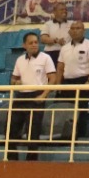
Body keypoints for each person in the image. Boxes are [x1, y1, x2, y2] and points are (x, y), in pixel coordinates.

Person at [9, 32, 57, 160]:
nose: (34, 45)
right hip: (21, 95)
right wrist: (15, 82)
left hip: (37, 95)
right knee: (12, 129)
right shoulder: (19, 59)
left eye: (36, 42)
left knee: (33, 131)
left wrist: (44, 95)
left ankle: (31, 161)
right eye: (31, 43)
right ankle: (11, 159)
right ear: (24, 45)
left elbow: (53, 78)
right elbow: (13, 78)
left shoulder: (45, 58)